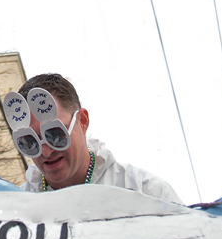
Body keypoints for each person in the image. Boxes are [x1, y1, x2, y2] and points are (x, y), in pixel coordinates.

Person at [11, 73, 183, 203]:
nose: (47, 151)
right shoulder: (18, 209)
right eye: (30, 142)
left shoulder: (146, 192)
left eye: (55, 134)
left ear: (82, 121)